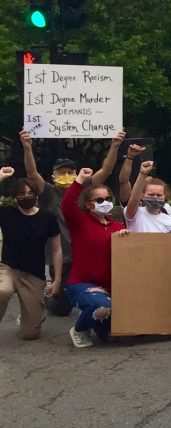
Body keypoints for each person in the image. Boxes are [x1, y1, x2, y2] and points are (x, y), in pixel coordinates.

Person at [33, 128, 124, 316]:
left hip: (84, 251)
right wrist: (27, 148)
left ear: (76, 174)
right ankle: (50, 298)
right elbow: (32, 174)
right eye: (61, 172)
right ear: (53, 175)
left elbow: (106, 170)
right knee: (62, 308)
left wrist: (115, 145)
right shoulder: (49, 193)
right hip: (62, 255)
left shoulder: (85, 190)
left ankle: (91, 301)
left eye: (69, 171)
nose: (66, 175)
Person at [61, 167, 128, 347]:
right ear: (88, 204)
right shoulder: (80, 222)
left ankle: (99, 325)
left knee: (113, 338)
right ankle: (79, 330)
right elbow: (66, 206)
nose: (104, 202)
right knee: (101, 308)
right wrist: (80, 180)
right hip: (83, 284)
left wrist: (126, 238)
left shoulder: (118, 226)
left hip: (110, 288)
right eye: (99, 200)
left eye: (107, 199)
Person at [0, 167, 62, 340]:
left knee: (30, 333)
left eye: (29, 192)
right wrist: (1, 177)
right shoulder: (6, 214)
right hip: (8, 268)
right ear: (15, 196)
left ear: (36, 194)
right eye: (21, 193)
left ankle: (33, 314)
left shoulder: (47, 217)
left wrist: (56, 280)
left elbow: (56, 249)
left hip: (33, 274)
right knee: (3, 291)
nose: (26, 196)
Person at [124, 160, 171, 233]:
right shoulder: (135, 214)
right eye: (151, 194)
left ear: (165, 196)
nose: (155, 197)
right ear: (142, 196)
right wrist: (143, 174)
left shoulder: (170, 221)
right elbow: (134, 198)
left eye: (159, 195)